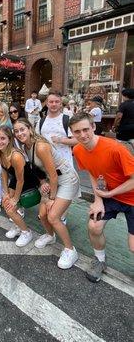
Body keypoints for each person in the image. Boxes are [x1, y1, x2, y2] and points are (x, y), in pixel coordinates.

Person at [70, 112, 134, 282]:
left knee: (133, 246)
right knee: (94, 226)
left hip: (130, 197)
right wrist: (98, 199)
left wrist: (109, 194)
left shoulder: (116, 148)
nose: (82, 135)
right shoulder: (77, 149)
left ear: (93, 127)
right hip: (109, 195)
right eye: (77, 132)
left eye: (85, 129)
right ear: (72, 132)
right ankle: (100, 261)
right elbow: (93, 173)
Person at [13, 118, 81, 269]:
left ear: (30, 129)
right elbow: (39, 170)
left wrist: (51, 198)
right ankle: (50, 236)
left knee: (53, 216)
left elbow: (54, 175)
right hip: (51, 180)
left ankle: (71, 250)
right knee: (42, 214)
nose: (19, 133)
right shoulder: (26, 146)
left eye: (22, 129)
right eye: (16, 131)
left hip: (66, 178)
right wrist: (43, 182)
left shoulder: (41, 146)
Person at [0, 126, 43, 247]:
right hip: (15, 180)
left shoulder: (15, 156)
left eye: (3, 138)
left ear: (9, 139)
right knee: (6, 203)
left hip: (27, 182)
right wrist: (5, 192)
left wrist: (15, 199)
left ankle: (26, 232)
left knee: (10, 207)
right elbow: (4, 172)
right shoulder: (0, 152)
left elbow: (21, 180)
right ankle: (18, 226)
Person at [36, 91, 77, 167]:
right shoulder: (41, 121)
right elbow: (36, 142)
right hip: (46, 165)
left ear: (61, 104)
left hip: (65, 165)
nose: (54, 104)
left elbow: (77, 140)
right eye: (51, 102)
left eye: (57, 102)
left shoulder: (67, 120)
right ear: (47, 104)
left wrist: (60, 140)